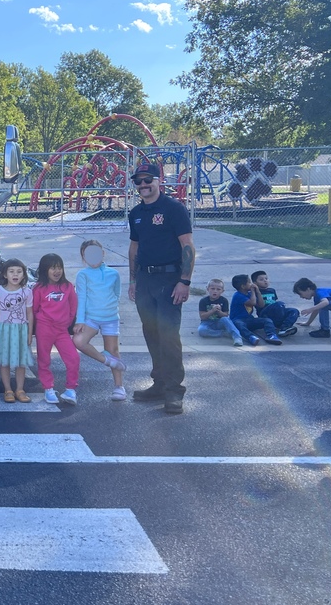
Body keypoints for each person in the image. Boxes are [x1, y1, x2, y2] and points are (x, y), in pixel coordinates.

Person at [127, 162, 195, 415]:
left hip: (169, 281)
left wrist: (184, 281)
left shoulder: (174, 209)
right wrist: (133, 281)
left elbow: (187, 245)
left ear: (159, 181)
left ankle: (174, 390)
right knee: (151, 333)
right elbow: (134, 248)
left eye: (148, 180)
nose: (144, 185)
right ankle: (159, 383)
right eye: (139, 181)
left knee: (169, 336)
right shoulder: (135, 213)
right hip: (145, 281)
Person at [72, 240, 127, 401]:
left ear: (103, 253)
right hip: (91, 318)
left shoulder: (113, 274)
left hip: (110, 318)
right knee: (79, 341)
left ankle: (119, 386)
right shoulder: (82, 275)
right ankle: (106, 360)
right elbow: (80, 298)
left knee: (114, 350)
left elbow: (117, 293)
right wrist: (80, 320)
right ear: (83, 258)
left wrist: (111, 307)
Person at [33, 253, 79, 406]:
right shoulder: (38, 288)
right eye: (53, 268)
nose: (57, 271)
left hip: (62, 330)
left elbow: (73, 307)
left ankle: (71, 389)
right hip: (44, 328)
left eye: (59, 268)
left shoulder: (68, 286)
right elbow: (33, 309)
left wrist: (68, 321)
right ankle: (48, 388)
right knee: (44, 359)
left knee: (73, 358)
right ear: (45, 270)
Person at [0, 258, 34, 404]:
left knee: (21, 362)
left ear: (24, 274)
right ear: (5, 274)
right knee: (4, 361)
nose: (15, 275)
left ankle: (20, 389)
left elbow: (30, 313)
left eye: (19, 272)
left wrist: (29, 332)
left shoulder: (27, 292)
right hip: (4, 329)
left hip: (21, 330)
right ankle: (8, 390)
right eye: (12, 271)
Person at [229, 274, 281, 346]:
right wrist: (253, 292)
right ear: (243, 286)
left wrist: (258, 292)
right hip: (238, 319)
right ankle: (251, 337)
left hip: (249, 319)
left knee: (267, 320)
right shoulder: (238, 295)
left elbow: (261, 305)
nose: (252, 284)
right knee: (238, 325)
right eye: (249, 282)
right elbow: (252, 303)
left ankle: (271, 335)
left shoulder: (249, 294)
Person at [250, 270, 299, 337]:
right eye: (261, 280)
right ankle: (280, 324)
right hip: (264, 313)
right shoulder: (255, 292)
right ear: (255, 283)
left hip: (277, 311)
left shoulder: (272, 290)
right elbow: (259, 305)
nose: (265, 281)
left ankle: (284, 328)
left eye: (266, 279)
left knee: (294, 311)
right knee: (279, 304)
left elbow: (274, 301)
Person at [197, 278, 244, 347]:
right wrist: (212, 311)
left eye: (218, 289)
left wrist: (219, 311)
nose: (215, 291)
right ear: (208, 289)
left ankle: (237, 337)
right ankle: (223, 333)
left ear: (222, 291)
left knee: (226, 320)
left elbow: (226, 315)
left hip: (219, 321)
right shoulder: (203, 301)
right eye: (212, 289)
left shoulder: (224, 300)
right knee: (201, 330)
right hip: (207, 322)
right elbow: (202, 316)